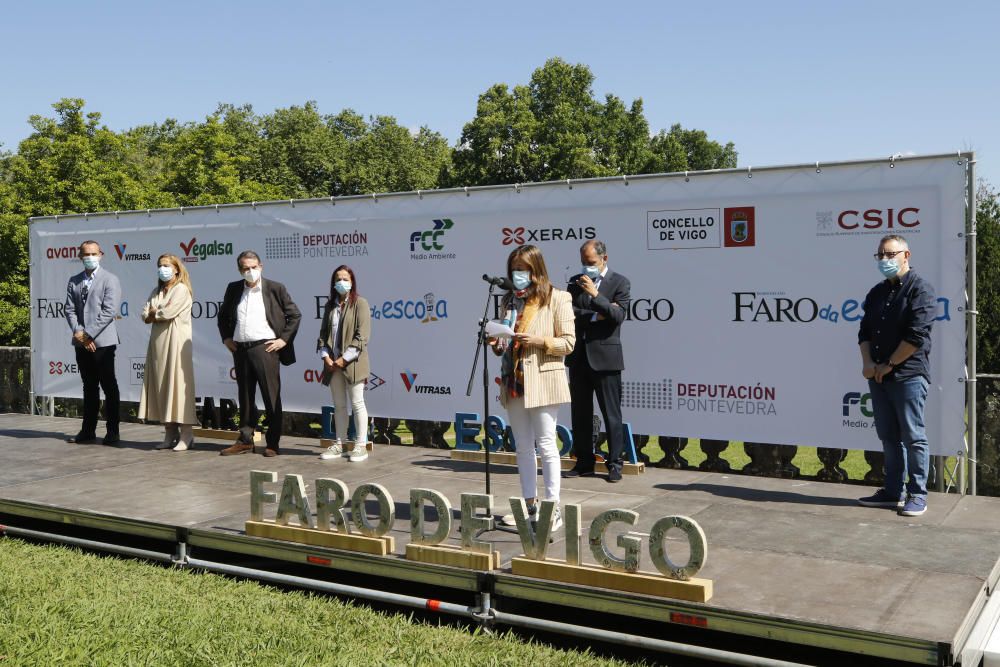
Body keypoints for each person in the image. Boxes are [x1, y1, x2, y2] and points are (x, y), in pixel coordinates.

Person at [492, 244, 575, 530]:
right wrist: (496, 342)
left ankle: (553, 510)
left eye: (523, 270)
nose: (517, 275)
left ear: (536, 270)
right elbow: (505, 343)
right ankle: (530, 506)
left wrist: (539, 341)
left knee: (547, 444)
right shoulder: (508, 301)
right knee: (523, 447)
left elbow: (568, 343)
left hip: (543, 378)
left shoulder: (558, 298)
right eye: (514, 270)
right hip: (514, 381)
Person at [857, 235, 936, 517]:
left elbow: (916, 336)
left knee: (913, 436)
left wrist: (888, 364)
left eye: (890, 254)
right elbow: (865, 332)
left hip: (908, 375)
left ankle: (917, 494)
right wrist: (869, 363)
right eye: (880, 256)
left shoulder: (921, 291)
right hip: (878, 377)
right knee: (888, 436)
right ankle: (893, 492)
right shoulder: (877, 292)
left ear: (906, 255)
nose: (885, 260)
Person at [217, 250, 301, 457]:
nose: (250, 271)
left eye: (254, 267)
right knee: (245, 398)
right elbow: (223, 316)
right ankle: (245, 440)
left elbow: (295, 315)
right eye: (246, 268)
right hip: (240, 349)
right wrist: (226, 338)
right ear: (240, 270)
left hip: (265, 349)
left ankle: (272, 443)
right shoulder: (234, 288)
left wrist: (283, 339)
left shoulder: (275, 288)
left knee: (271, 398)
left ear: (261, 267)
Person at [564, 239, 631, 482]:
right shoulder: (574, 282)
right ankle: (583, 462)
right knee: (580, 413)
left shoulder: (619, 282)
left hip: (606, 359)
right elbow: (570, 314)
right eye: (583, 263)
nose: (586, 268)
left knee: (611, 413)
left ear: (604, 258)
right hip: (579, 357)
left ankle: (614, 464)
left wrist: (595, 295)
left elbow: (617, 316)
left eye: (590, 263)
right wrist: (597, 315)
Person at [64, 240, 122, 446]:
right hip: (81, 342)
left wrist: (89, 334)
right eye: (86, 254)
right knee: (89, 387)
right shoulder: (74, 280)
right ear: (80, 256)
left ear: (101, 254)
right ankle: (87, 431)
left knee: (109, 386)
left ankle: (113, 431)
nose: (89, 257)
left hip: (103, 343)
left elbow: (109, 311)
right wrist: (79, 333)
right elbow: (69, 309)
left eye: (93, 253)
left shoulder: (110, 279)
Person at [138, 254, 197, 451]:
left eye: (166, 265)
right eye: (160, 265)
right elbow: (145, 314)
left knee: (178, 386)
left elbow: (166, 313)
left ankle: (187, 434)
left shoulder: (181, 289)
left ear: (177, 269)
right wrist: (155, 312)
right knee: (161, 385)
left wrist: (156, 312)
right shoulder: (156, 290)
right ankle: (170, 432)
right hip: (157, 343)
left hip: (176, 342)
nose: (162, 269)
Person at [317, 265, 372, 463]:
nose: (342, 282)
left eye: (345, 278)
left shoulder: (361, 304)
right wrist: (326, 357)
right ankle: (339, 444)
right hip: (332, 364)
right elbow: (323, 334)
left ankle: (360, 446)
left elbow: (362, 337)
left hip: (353, 364)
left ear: (352, 281)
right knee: (339, 405)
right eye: (338, 279)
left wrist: (343, 359)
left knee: (357, 403)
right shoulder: (330, 306)